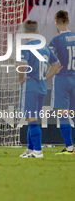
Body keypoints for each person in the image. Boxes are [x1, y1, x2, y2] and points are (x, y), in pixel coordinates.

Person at [18, 20, 61, 158]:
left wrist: (21, 79)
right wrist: (45, 77)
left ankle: (37, 150)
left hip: (31, 86)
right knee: (32, 118)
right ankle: (30, 150)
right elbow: (57, 65)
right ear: (37, 32)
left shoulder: (26, 47)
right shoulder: (45, 47)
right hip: (42, 87)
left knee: (31, 118)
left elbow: (21, 66)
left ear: (25, 32)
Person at [49, 10, 75, 155]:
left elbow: (49, 58)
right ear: (68, 21)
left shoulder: (56, 40)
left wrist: (54, 68)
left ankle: (69, 148)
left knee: (63, 114)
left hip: (63, 79)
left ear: (56, 22)